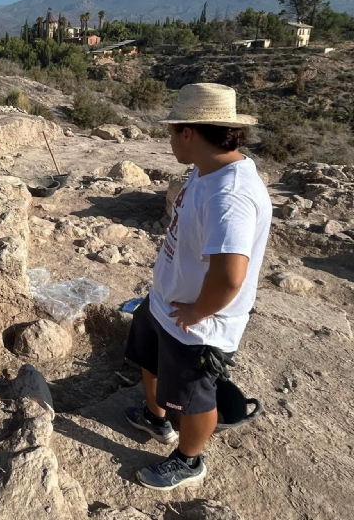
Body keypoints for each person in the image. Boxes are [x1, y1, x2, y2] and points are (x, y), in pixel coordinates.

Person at [123, 83, 272, 491]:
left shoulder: (231, 195)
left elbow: (230, 276)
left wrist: (197, 312)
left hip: (196, 323)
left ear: (189, 133)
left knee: (195, 397)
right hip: (166, 304)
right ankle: (156, 421)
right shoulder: (207, 170)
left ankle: (189, 461)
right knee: (150, 360)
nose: (170, 139)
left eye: (173, 131)